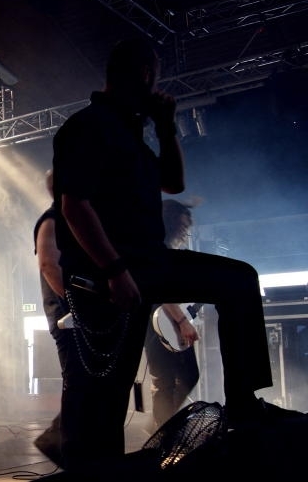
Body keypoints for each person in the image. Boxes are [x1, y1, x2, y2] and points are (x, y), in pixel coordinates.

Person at [50, 37, 300, 474]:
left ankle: (243, 402)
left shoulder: (132, 134)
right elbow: (74, 205)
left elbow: (174, 183)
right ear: (145, 74)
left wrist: (166, 126)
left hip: (148, 263)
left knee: (238, 279)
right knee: (108, 391)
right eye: (155, 78)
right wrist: (115, 270)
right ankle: (94, 465)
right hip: (116, 269)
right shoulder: (88, 126)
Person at [143, 199, 200, 432]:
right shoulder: (156, 249)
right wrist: (183, 321)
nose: (185, 231)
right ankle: (161, 430)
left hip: (165, 321)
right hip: (160, 322)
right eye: (182, 225)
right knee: (169, 378)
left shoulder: (164, 250)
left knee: (178, 377)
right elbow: (161, 290)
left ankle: (159, 425)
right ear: (170, 222)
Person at [31, 169, 69, 466]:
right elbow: (48, 264)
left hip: (73, 313)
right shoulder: (52, 219)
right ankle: (56, 441)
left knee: (84, 382)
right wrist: (73, 304)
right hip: (66, 315)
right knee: (79, 380)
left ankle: (64, 442)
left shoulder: (68, 218)